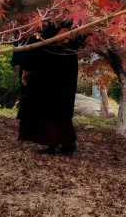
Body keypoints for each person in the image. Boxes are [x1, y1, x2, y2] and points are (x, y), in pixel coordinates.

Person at [13, 24, 81, 155]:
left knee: (46, 109)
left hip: (45, 73)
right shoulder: (72, 29)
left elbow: (32, 50)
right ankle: (68, 143)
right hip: (66, 73)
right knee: (62, 109)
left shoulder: (44, 29)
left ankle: (53, 143)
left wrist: (26, 70)